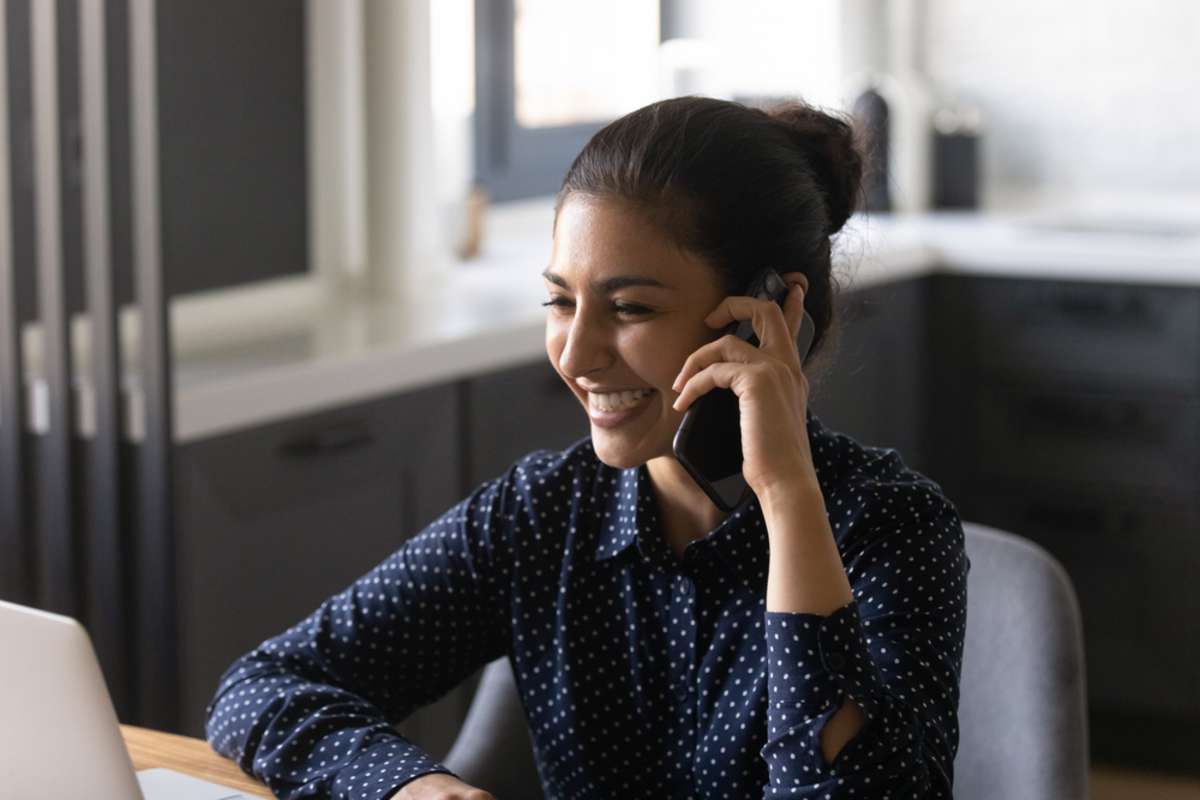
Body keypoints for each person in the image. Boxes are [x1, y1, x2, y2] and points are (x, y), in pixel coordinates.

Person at [205, 96, 970, 799]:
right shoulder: (541, 515)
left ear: (763, 318)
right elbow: (265, 684)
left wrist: (786, 497)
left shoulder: (893, 532)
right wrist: (405, 787)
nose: (575, 354)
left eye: (630, 307)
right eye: (560, 301)